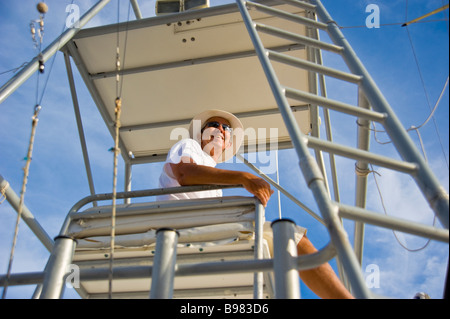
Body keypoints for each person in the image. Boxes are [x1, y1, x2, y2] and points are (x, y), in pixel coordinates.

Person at [158, 109, 354, 299]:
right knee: (292, 240)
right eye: (213, 125)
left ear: (228, 143)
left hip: (206, 229)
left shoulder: (212, 177)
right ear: (201, 134)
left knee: (285, 250)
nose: (220, 129)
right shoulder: (189, 145)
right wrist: (245, 177)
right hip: (186, 227)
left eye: (226, 127)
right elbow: (185, 173)